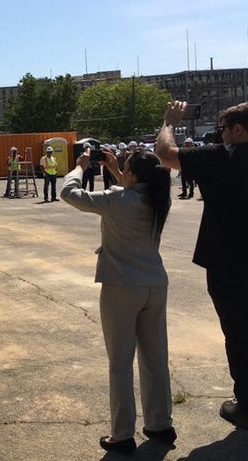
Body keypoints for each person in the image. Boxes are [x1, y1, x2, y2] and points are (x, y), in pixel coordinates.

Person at [61, 148, 175, 455]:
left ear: (133, 174)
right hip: (154, 283)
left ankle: (122, 434)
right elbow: (132, 189)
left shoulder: (115, 199)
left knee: (121, 363)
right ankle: (160, 423)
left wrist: (79, 167)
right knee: (155, 358)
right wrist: (114, 169)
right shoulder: (159, 198)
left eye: (125, 168)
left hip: (122, 287)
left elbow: (69, 193)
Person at [157, 100, 248, 432]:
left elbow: (165, 153)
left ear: (238, 129)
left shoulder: (221, 157)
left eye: (224, 130)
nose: (222, 135)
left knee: (241, 337)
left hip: (230, 265)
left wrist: (169, 120)